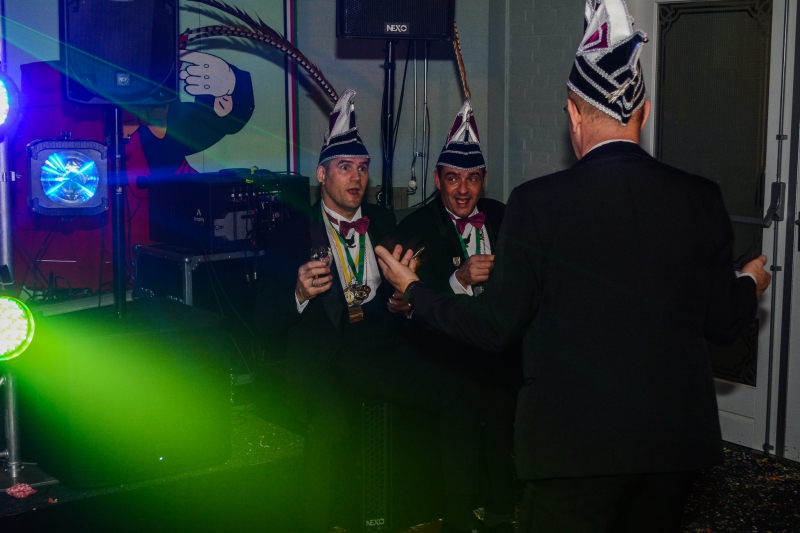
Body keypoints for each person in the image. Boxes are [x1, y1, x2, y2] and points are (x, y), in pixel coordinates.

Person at [373, 1, 773, 531]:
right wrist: (749, 281)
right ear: (644, 111)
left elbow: (492, 329)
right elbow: (723, 324)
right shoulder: (700, 198)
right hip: (672, 446)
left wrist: (414, 289)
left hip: (572, 447)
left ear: (572, 113)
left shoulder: (537, 204)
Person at [255, 89, 488, 533]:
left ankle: (460, 517)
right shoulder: (290, 233)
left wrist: (403, 302)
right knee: (329, 427)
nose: (356, 177)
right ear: (322, 174)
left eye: (362, 168)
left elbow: (397, 298)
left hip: (379, 351)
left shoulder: (382, 221)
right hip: (325, 358)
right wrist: (298, 293)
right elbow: (263, 323)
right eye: (345, 167)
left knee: (461, 389)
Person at [390, 99, 519, 531]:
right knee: (461, 397)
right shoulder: (416, 228)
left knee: (504, 402)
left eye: (472, 178)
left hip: (498, 350)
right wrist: (458, 279)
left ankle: (501, 509)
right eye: (452, 178)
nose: (463, 190)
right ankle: (459, 514)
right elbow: (410, 308)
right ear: (437, 180)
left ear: (483, 180)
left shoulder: (504, 217)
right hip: (444, 352)